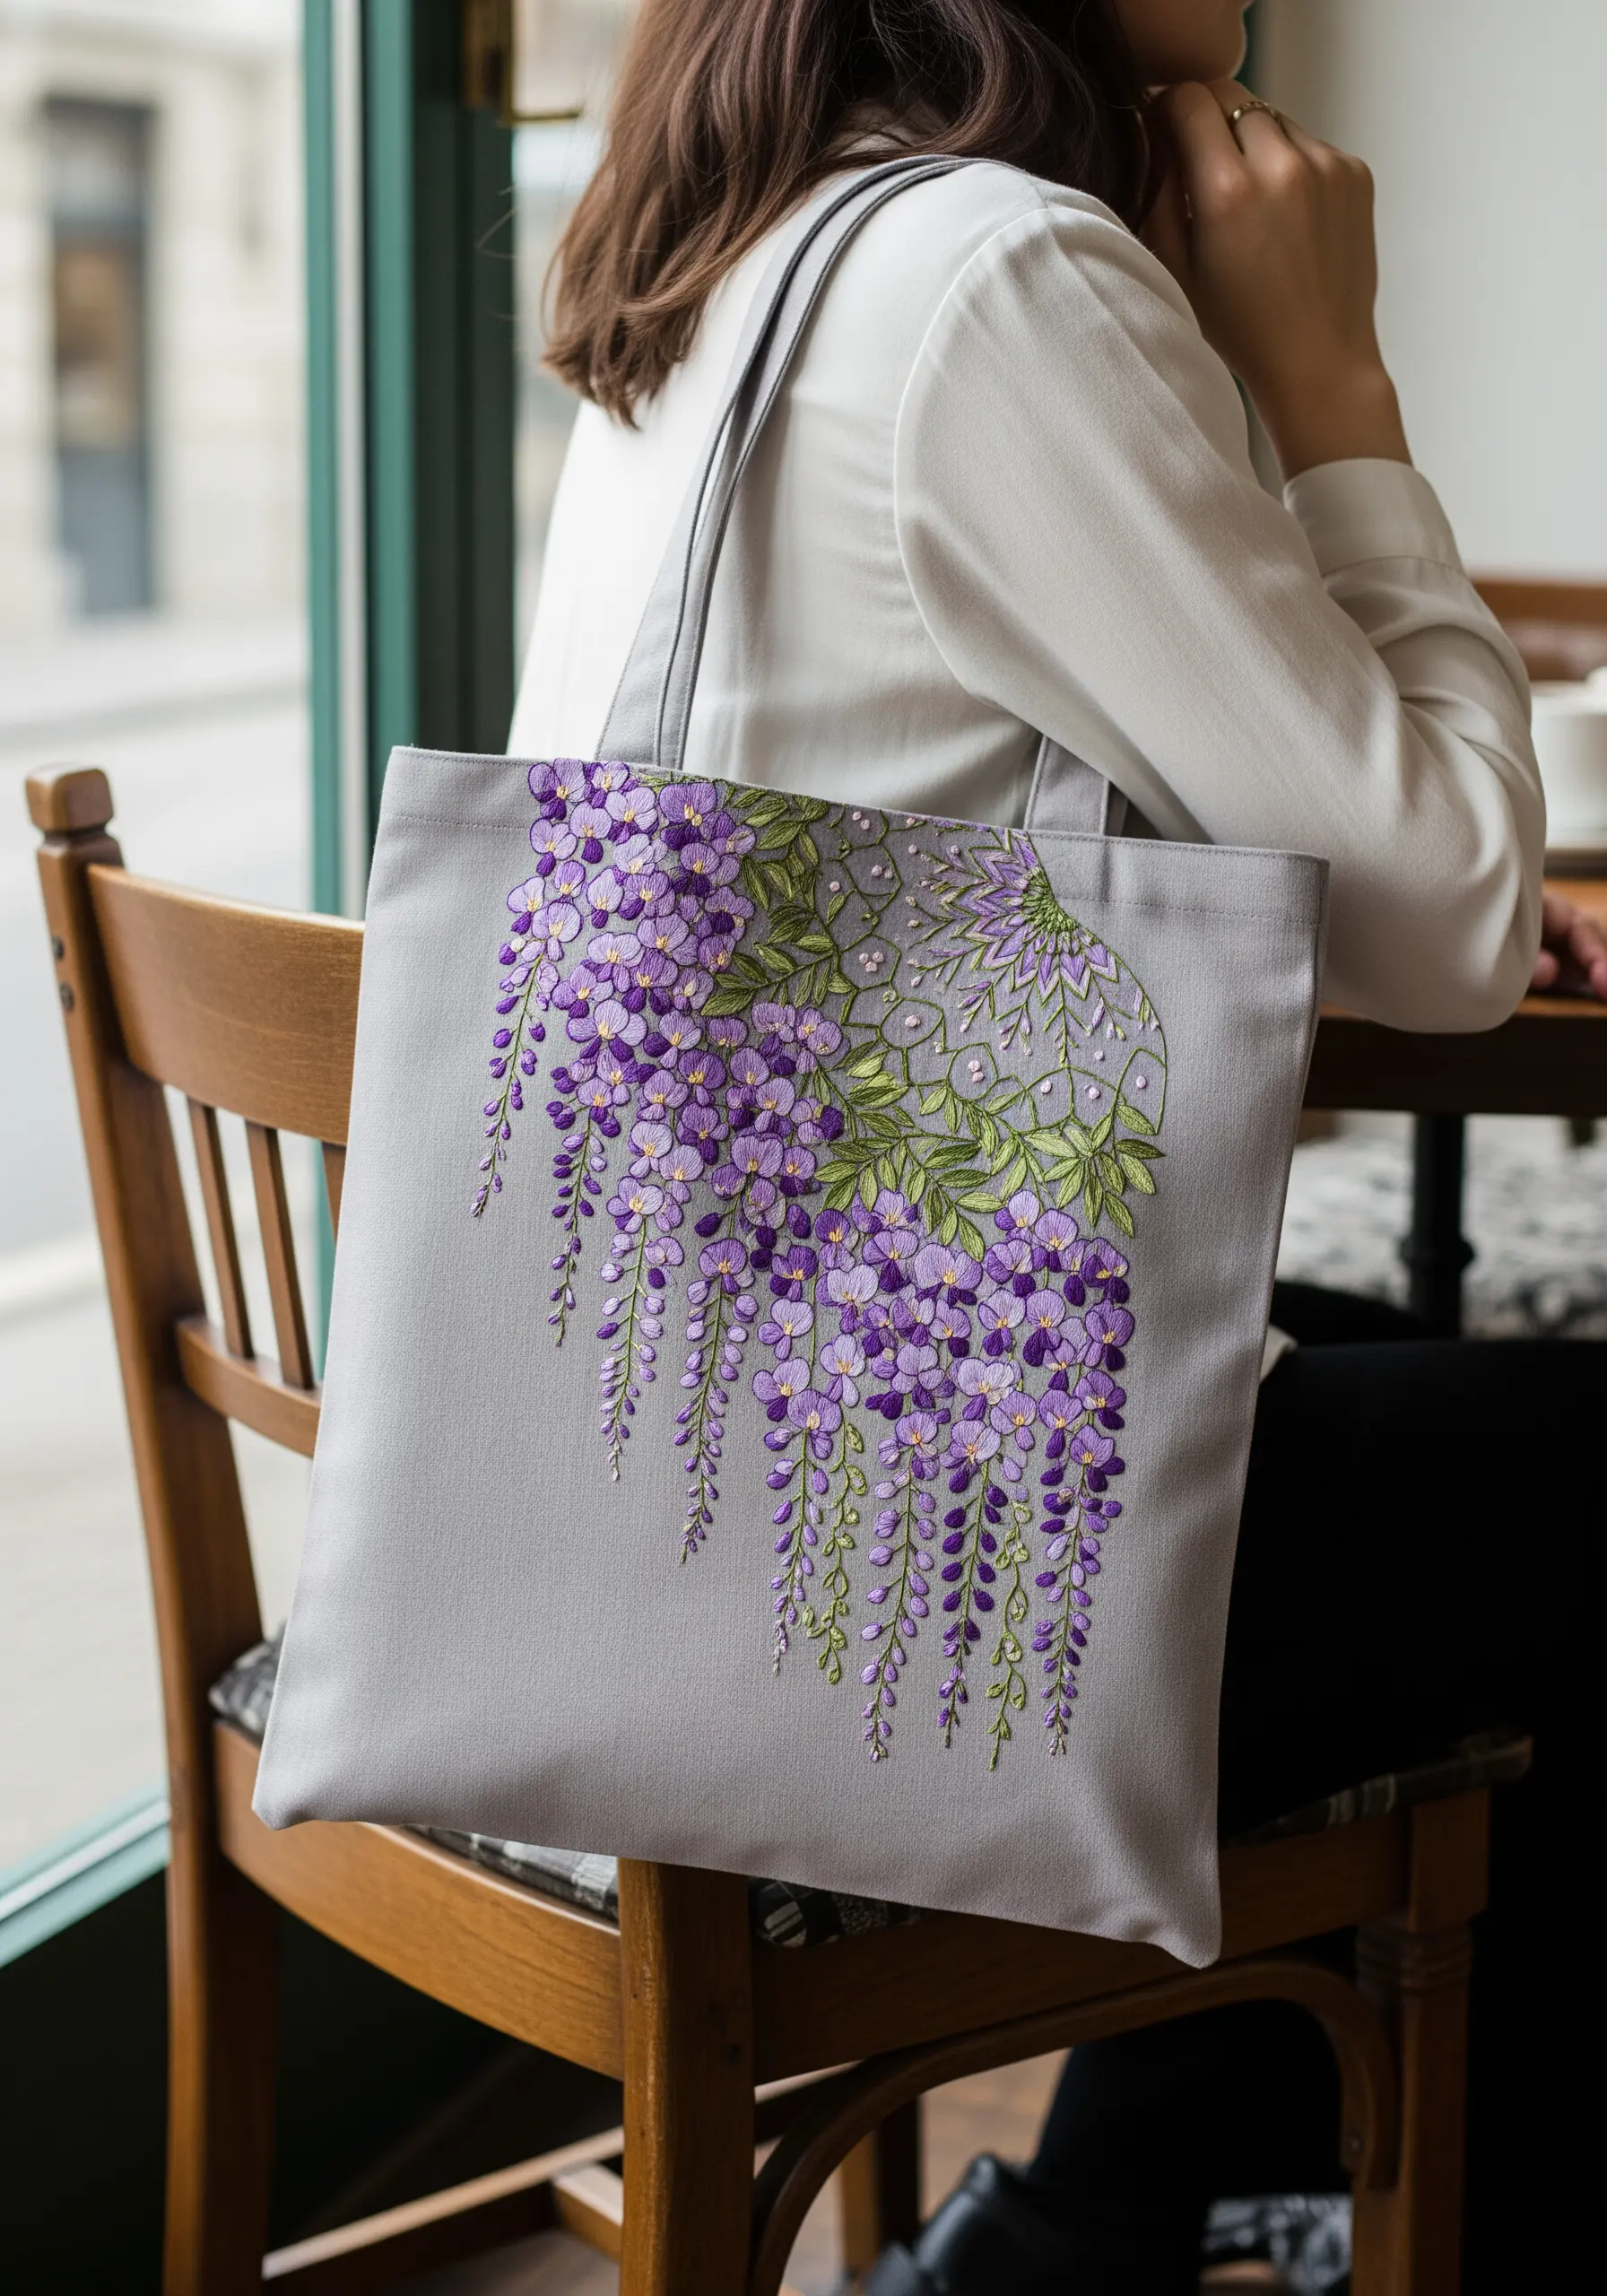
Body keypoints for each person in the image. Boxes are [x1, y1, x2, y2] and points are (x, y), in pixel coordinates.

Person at [510, 4, 1603, 2287]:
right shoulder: (1002, 278)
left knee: (1368, 1386)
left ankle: (1090, 2219)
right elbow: (1442, 912)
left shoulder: (740, 258)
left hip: (643, 1468)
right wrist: (1333, 392)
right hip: (877, 1566)